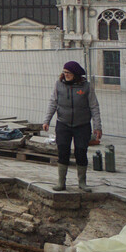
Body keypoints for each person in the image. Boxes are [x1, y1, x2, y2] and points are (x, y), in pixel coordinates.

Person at [43, 61, 102, 193]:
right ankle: (61, 182)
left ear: (75, 74)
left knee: (81, 152)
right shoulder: (59, 85)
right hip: (63, 124)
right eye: (64, 72)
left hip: (82, 125)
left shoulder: (86, 87)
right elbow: (53, 103)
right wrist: (46, 120)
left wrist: (97, 126)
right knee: (63, 151)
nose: (66, 75)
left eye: (68, 73)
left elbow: (94, 107)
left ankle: (82, 182)